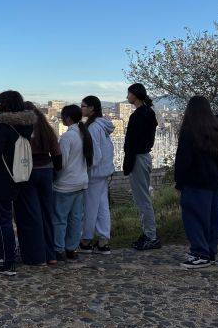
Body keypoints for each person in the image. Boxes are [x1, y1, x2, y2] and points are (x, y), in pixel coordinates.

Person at [0, 91, 36, 276]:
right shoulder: (26, 125)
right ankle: (1, 252)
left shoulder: (3, 126)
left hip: (1, 179)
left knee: (2, 218)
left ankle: (8, 260)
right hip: (17, 176)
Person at [175, 96, 218, 269]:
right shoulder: (215, 128)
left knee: (194, 218)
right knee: (212, 218)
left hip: (194, 180)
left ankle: (199, 252)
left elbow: (183, 159)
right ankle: (210, 251)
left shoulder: (189, 130)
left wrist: (179, 181)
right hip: (213, 180)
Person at [123, 83, 161, 250]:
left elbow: (131, 142)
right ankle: (148, 233)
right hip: (143, 157)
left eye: (129, 94)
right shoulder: (149, 112)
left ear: (135, 95)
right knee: (142, 198)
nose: (127, 97)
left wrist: (127, 163)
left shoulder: (139, 115)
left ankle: (151, 235)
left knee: (142, 199)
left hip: (138, 158)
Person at [24, 102, 62, 265]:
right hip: (46, 171)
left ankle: (37, 255)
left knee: (33, 214)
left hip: (29, 172)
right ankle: (51, 254)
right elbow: (57, 154)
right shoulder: (47, 129)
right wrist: (55, 172)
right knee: (47, 213)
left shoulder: (24, 129)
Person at [53, 104, 92, 261]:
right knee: (76, 218)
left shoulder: (67, 137)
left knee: (60, 218)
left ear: (67, 118)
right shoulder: (84, 134)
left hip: (66, 184)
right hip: (81, 182)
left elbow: (61, 163)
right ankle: (72, 248)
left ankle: (59, 248)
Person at [79, 95, 115, 255]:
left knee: (90, 207)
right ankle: (103, 241)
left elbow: (95, 154)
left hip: (94, 173)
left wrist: (87, 167)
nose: (82, 108)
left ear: (92, 108)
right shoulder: (102, 125)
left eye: (84, 106)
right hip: (104, 171)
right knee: (102, 206)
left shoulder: (93, 128)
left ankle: (86, 240)